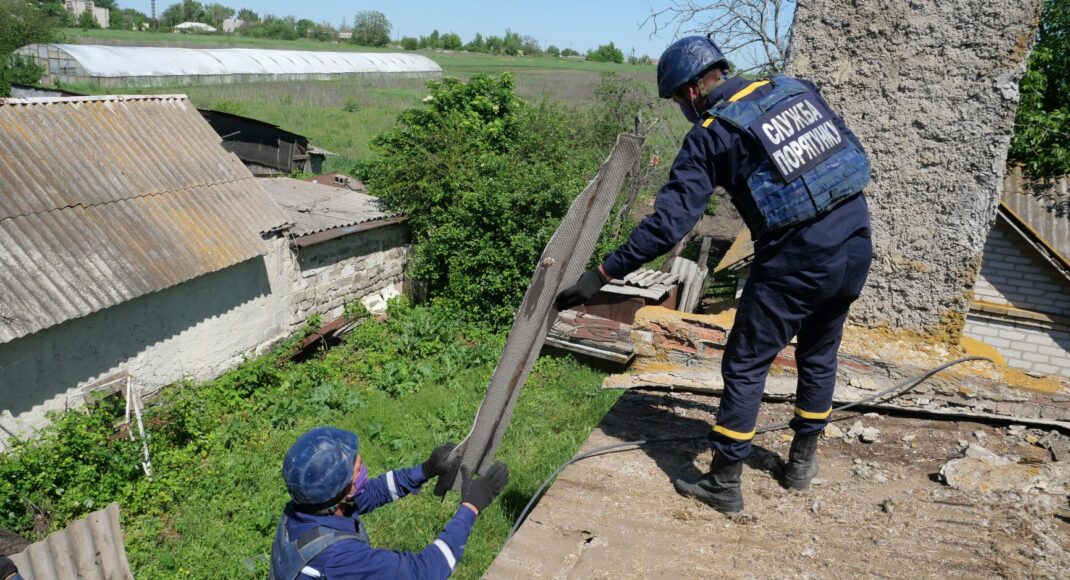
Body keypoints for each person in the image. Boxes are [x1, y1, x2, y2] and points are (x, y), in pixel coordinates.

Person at [556, 35, 872, 513]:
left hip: (797, 257)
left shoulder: (712, 132)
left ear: (689, 92)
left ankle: (724, 482)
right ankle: (802, 464)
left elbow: (668, 225)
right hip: (856, 238)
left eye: (677, 102)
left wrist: (600, 274)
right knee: (820, 349)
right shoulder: (793, 88)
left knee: (746, 363)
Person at [270, 426, 509, 579]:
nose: (364, 471)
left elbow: (372, 493)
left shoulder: (306, 508)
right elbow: (424, 572)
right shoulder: (340, 558)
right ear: (344, 489)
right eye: (358, 469)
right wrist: (471, 506)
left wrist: (424, 470)